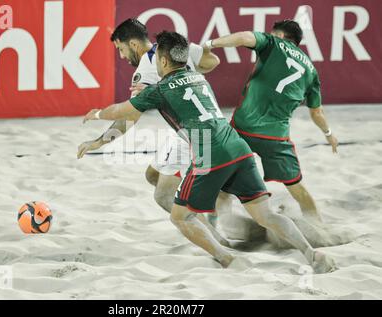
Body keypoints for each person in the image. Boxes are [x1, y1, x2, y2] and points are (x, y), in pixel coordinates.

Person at [83, 30, 337, 273]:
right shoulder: (199, 78)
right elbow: (208, 62)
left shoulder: (159, 89)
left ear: (162, 60)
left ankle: (228, 259)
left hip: (208, 151)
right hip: (238, 146)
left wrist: (96, 114)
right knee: (265, 214)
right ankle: (312, 253)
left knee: (180, 216)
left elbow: (120, 112)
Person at [77, 18, 228, 228]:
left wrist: (98, 142)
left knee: (164, 196)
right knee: (153, 174)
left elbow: (128, 118)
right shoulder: (176, 48)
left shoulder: (146, 69)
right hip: (205, 125)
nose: (121, 56)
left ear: (134, 45)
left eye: (121, 49)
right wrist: (191, 72)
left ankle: (212, 229)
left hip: (192, 134)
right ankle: (217, 203)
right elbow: (213, 62)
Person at [204, 20, 339, 223]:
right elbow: (317, 112)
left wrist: (210, 44)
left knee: (223, 181)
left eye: (272, 33)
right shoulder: (311, 71)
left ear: (282, 36)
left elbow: (242, 37)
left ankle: (215, 228)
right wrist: (329, 134)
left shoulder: (273, 42)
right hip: (276, 138)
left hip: (243, 128)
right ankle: (318, 228)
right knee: (296, 186)